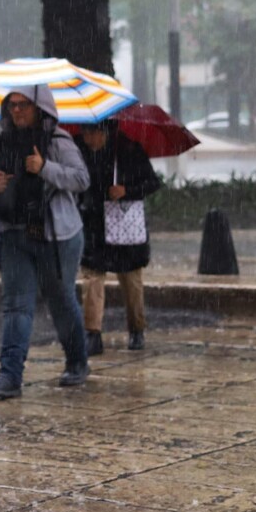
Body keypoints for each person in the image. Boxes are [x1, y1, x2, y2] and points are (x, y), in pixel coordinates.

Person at [0, 86, 91, 398]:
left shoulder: (57, 141)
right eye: (12, 105)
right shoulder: (2, 141)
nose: (16, 111)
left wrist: (45, 169)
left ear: (39, 108)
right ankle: (10, 375)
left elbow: (82, 179)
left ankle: (77, 362)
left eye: (24, 105)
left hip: (57, 236)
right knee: (16, 305)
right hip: (13, 234)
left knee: (61, 299)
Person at [76, 119, 162, 353]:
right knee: (92, 278)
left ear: (104, 132)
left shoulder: (128, 150)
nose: (87, 139)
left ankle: (136, 329)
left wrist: (126, 190)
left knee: (131, 281)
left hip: (125, 228)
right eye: (84, 133)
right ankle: (92, 333)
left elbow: (152, 183)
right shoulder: (78, 150)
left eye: (92, 133)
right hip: (94, 226)